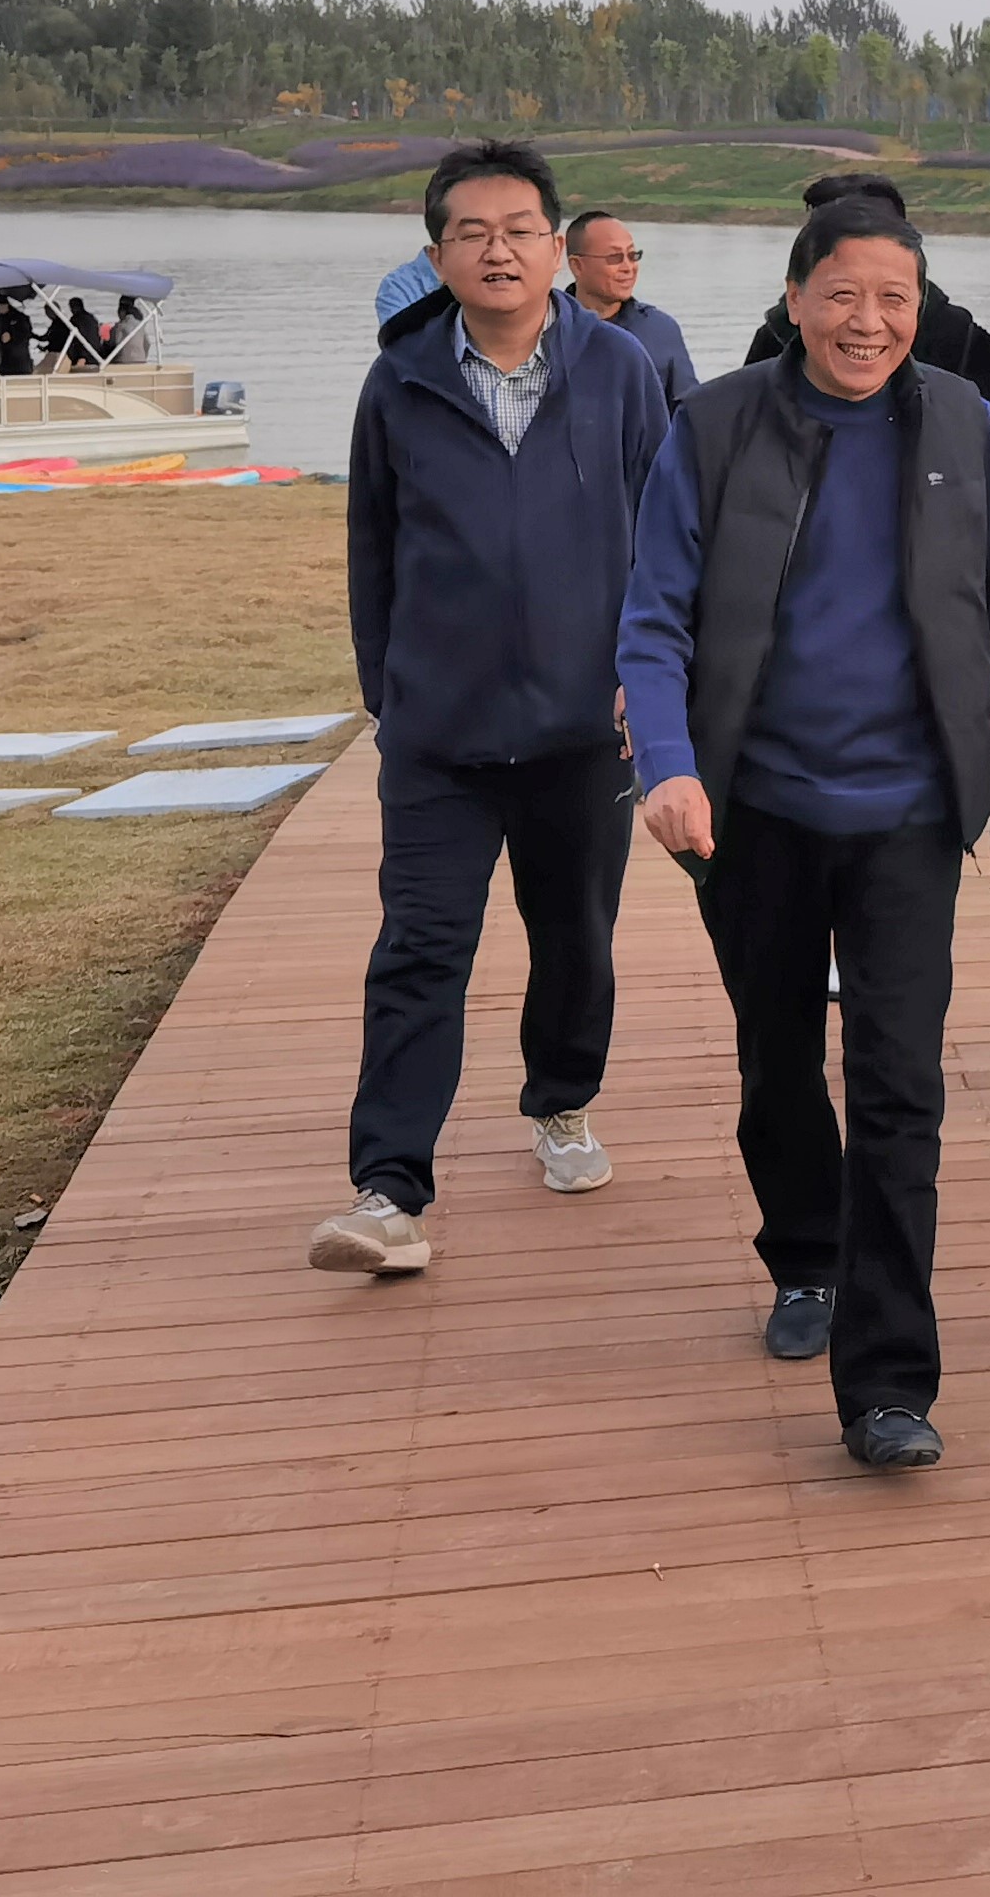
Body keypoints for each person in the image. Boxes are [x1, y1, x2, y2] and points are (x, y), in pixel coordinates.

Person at [619, 199, 990, 1475]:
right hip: (754, 811)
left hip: (909, 815)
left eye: (895, 300)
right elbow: (654, 618)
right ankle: (805, 1254)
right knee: (778, 1058)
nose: (870, 323)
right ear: (797, 297)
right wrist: (670, 765)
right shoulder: (715, 425)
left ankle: (889, 1383)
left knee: (901, 1085)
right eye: (845, 296)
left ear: (922, 310)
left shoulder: (959, 422)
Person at [314, 141, 671, 1280]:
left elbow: (665, 540)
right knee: (420, 947)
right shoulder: (400, 380)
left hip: (583, 729)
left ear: (556, 249)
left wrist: (655, 687)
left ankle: (560, 1102)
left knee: (574, 940)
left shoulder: (619, 369)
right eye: (471, 233)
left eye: (519, 230)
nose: (498, 250)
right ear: (438, 258)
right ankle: (388, 1189)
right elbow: (374, 548)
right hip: (441, 737)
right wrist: (389, 695)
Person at [740, 174, 990, 510]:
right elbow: (738, 443)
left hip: (928, 525)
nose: (867, 325)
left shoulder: (948, 332)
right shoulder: (779, 334)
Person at [561, 208, 698, 410]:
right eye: (615, 257)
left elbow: (688, 411)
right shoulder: (548, 328)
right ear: (577, 266)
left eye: (633, 256)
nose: (628, 267)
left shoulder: (660, 329)